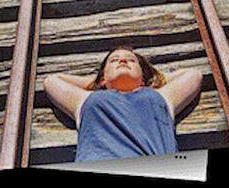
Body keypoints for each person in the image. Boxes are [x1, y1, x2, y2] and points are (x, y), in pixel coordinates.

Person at [43, 46, 201, 162]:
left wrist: (153, 79)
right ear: (103, 77)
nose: (123, 60)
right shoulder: (86, 99)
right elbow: (52, 81)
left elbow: (193, 75)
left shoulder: (161, 96)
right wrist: (98, 81)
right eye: (114, 61)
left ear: (143, 77)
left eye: (131, 61)